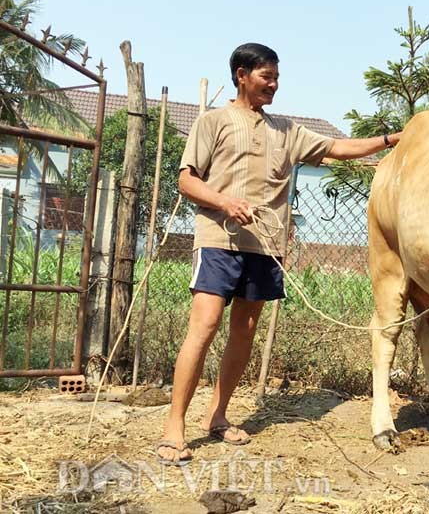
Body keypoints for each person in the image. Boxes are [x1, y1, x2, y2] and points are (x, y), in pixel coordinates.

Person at [156, 43, 401, 465]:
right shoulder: (213, 122)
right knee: (205, 325)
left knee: (245, 330)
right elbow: (187, 182)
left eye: (276, 77)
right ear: (241, 75)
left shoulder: (286, 130)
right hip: (219, 239)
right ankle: (173, 426)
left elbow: (337, 149)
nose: (274, 84)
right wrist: (225, 202)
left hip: (266, 246)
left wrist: (390, 140)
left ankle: (217, 415)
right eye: (266, 76)